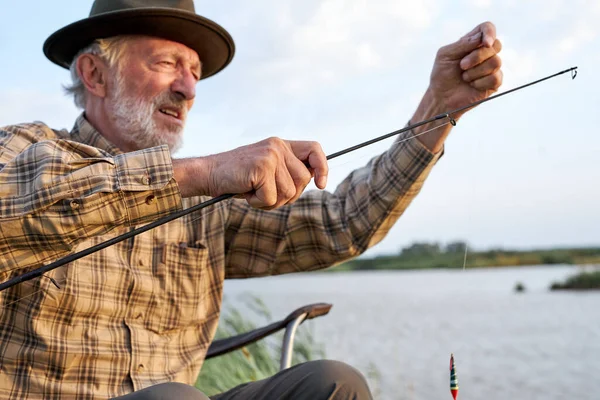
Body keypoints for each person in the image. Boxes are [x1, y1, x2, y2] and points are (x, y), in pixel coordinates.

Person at [0, 0, 503, 399]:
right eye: (167, 62)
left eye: (194, 70)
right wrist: (207, 170)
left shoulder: (210, 206)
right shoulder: (22, 148)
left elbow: (344, 223)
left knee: (333, 384)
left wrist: (438, 110)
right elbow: (18, 205)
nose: (188, 87)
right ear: (94, 74)